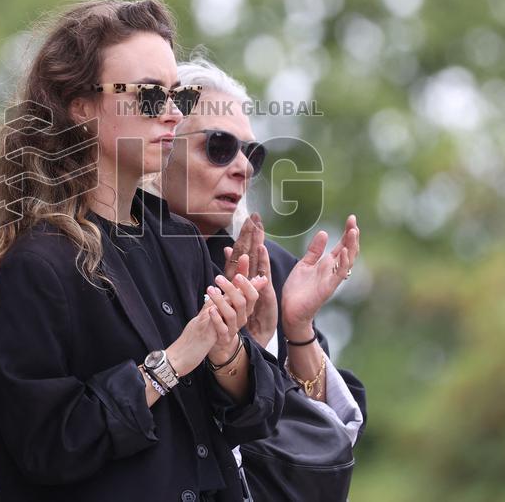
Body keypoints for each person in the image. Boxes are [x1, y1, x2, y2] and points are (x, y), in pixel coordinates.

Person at [0, 0, 284, 501]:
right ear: (82, 106)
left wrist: (228, 351)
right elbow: (48, 444)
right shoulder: (39, 265)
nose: (173, 115)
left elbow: (258, 415)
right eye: (150, 96)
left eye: (176, 97)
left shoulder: (182, 245)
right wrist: (174, 360)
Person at [157, 57, 367, 493]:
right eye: (218, 146)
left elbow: (325, 445)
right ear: (161, 145)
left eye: (252, 153)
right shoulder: (113, 258)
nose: (242, 167)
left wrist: (297, 327)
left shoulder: (275, 267)